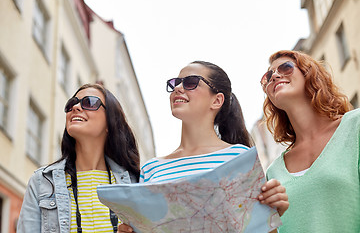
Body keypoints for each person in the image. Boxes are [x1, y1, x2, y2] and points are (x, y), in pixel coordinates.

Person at [119, 61, 288, 233]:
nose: (178, 88)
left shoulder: (239, 157)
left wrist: (270, 213)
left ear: (216, 100)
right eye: (175, 83)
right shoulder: (151, 169)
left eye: (190, 82)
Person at [17, 83, 140, 233]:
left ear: (109, 122)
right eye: (71, 104)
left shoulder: (136, 183)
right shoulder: (41, 181)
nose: (76, 107)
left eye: (89, 102)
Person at [261, 50, 360, 232]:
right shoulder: (273, 173)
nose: (274, 75)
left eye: (285, 67)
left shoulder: (356, 126)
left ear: (310, 74)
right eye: (268, 75)